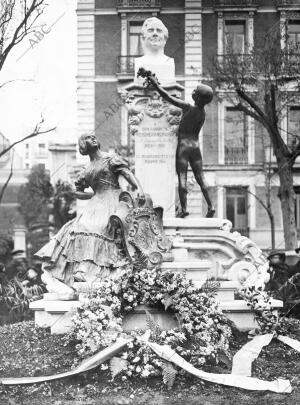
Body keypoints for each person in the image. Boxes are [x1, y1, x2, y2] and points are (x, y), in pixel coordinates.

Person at [35, 134, 145, 298]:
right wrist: (91, 196)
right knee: (79, 227)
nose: (92, 138)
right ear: (83, 146)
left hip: (114, 199)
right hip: (96, 202)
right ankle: (81, 270)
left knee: (100, 226)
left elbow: (127, 174)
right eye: (87, 138)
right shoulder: (86, 170)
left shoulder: (111, 159)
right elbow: (78, 191)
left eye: (93, 137)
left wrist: (140, 189)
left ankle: (93, 270)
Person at [138, 68, 215, 218]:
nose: (192, 92)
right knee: (201, 178)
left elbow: (168, 97)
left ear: (197, 97)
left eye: (195, 91)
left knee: (182, 177)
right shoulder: (202, 113)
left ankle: (184, 209)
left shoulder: (188, 107)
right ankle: (211, 206)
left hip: (184, 146)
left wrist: (155, 84)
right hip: (196, 146)